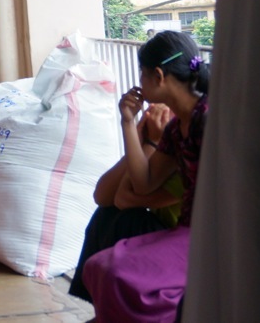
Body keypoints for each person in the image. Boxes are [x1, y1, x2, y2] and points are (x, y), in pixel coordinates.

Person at [81, 31, 210, 323]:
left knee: (117, 273)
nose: (139, 79)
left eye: (142, 72)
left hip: (211, 236)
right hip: (186, 232)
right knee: (98, 266)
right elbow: (143, 183)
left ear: (159, 75)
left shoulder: (208, 117)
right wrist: (128, 123)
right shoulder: (177, 129)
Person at [68, 102, 182, 301]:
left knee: (130, 220)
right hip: (166, 234)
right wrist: (133, 132)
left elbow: (124, 198)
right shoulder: (169, 143)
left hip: (184, 245)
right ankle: (94, 300)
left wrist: (150, 144)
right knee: (106, 213)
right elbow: (102, 195)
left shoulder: (189, 150)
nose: (154, 108)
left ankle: (113, 303)